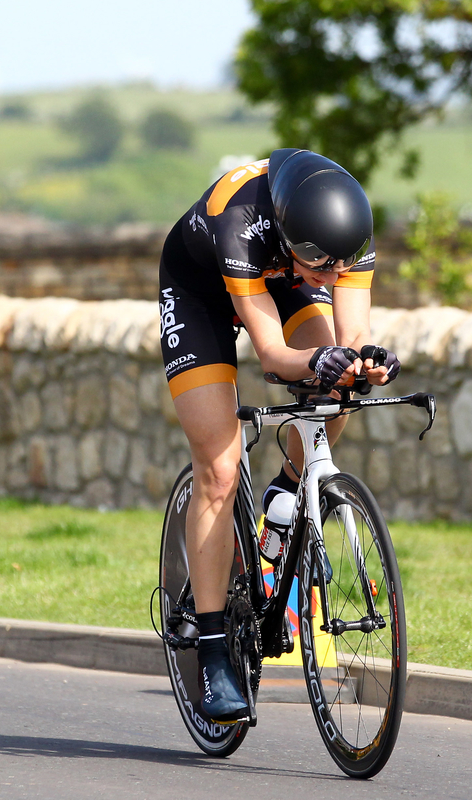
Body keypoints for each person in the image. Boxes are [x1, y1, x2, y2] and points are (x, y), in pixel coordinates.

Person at [158, 148, 401, 722]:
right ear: (293, 235)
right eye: (322, 264)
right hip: (201, 290)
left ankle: (286, 495)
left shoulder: (340, 243)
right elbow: (275, 356)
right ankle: (215, 649)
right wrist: (315, 360)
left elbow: (352, 332)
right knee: (218, 468)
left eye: (341, 266)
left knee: (336, 386)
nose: (333, 276)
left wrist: (366, 362)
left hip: (279, 276)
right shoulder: (239, 217)